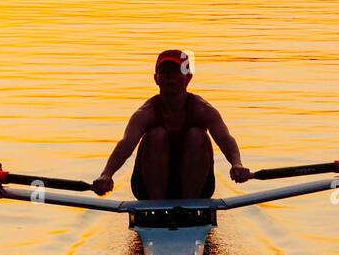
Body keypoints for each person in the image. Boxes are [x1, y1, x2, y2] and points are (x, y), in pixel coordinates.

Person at [92, 50, 250, 199]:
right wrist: (107, 174)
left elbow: (225, 138)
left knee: (197, 135)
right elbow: (126, 144)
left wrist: (237, 164)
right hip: (148, 187)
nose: (170, 78)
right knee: (156, 135)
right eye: (165, 72)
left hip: (197, 185)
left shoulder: (203, 110)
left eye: (176, 72)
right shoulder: (145, 113)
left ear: (188, 78)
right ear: (156, 78)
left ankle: (190, 206)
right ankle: (157, 206)